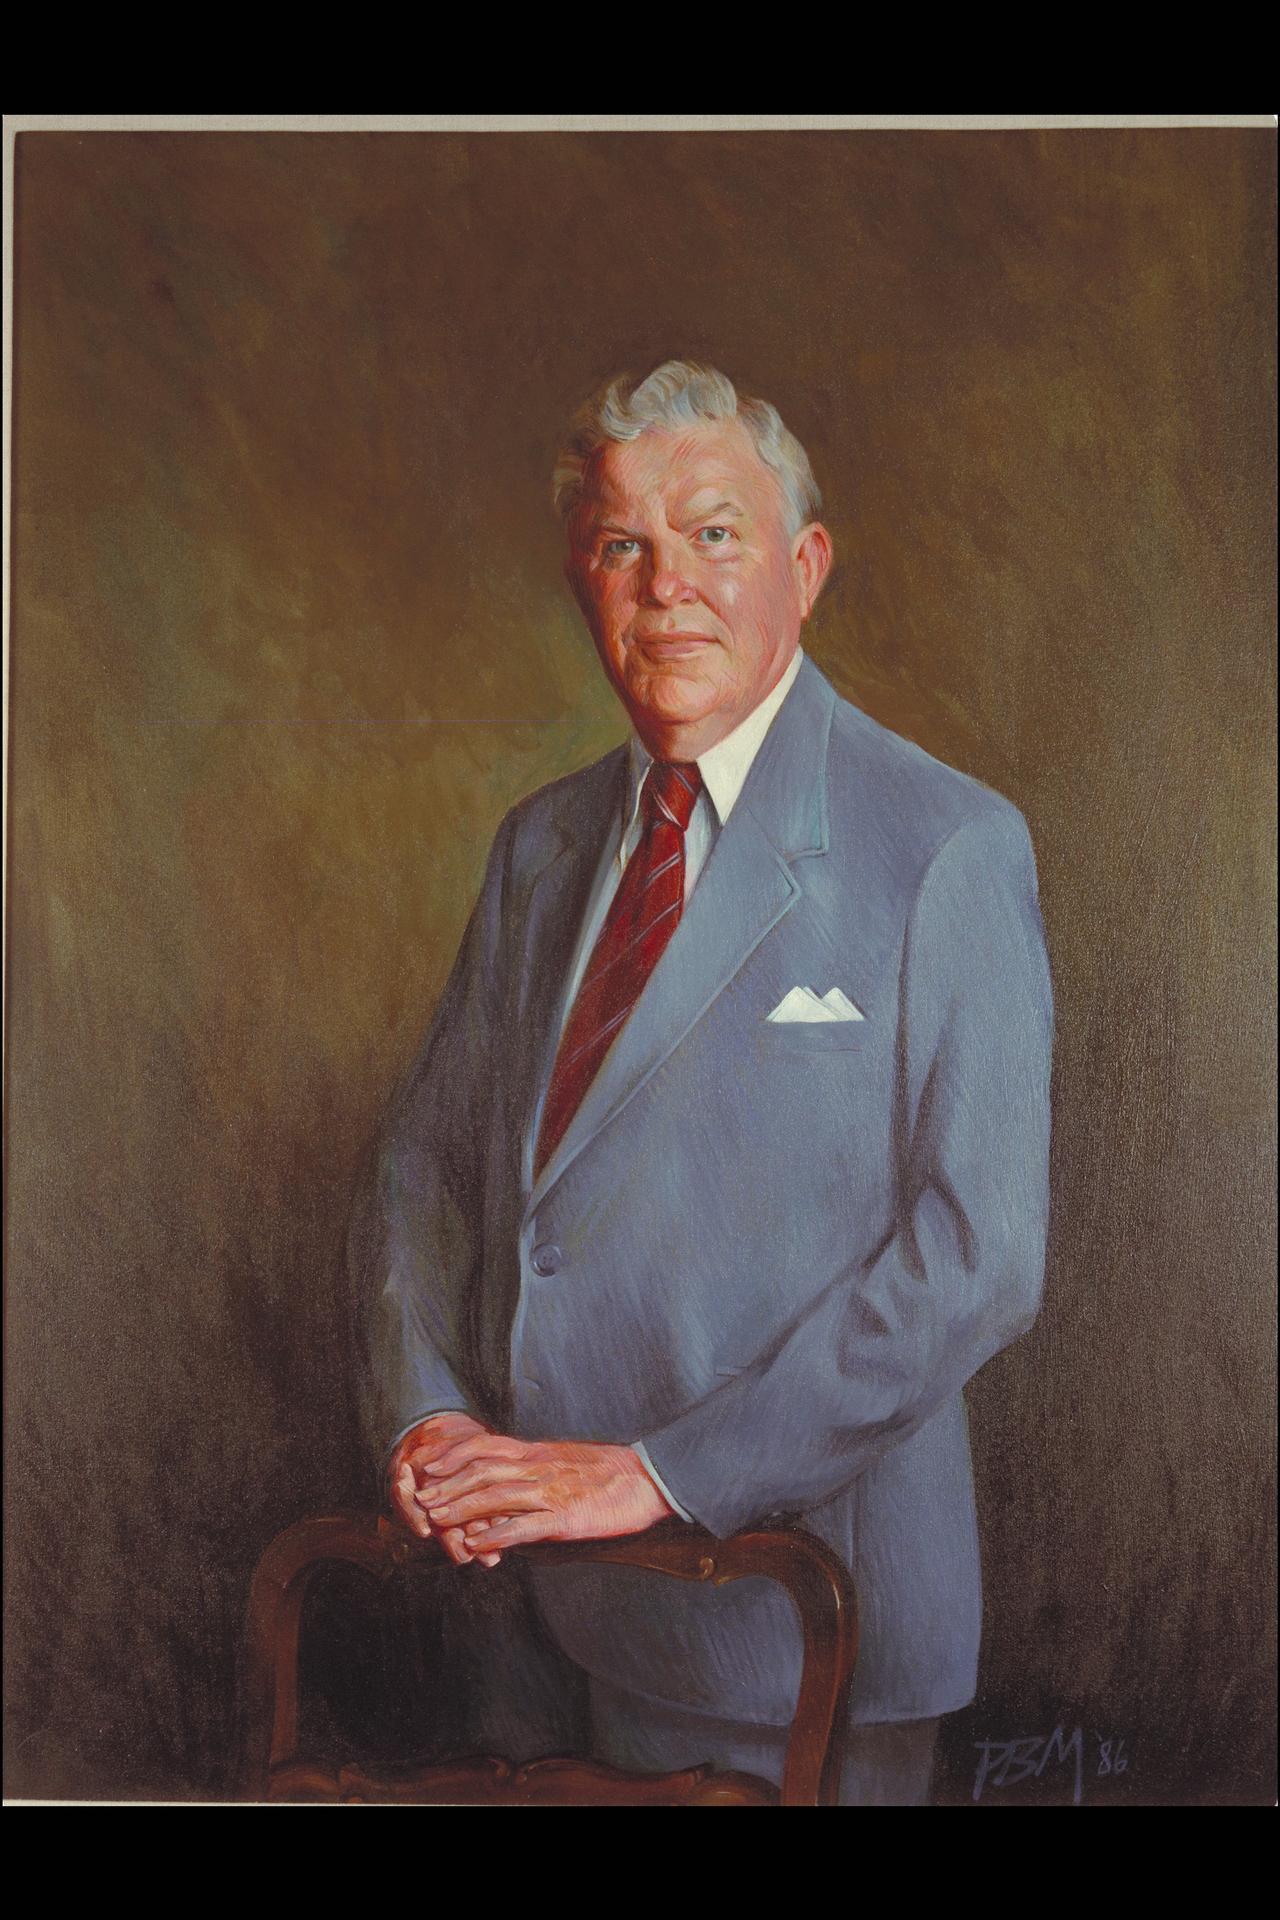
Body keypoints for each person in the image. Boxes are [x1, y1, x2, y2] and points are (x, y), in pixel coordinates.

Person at [348, 359, 1054, 1805]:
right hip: (519, 1612)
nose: (666, 585)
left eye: (714, 534)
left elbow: (978, 1260)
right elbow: (421, 1171)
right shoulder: (539, 849)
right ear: (581, 582)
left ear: (807, 567)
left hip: (789, 1633)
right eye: (623, 545)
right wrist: (425, 1418)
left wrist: (656, 1475)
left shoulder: (947, 846)